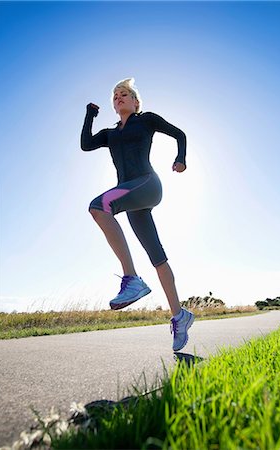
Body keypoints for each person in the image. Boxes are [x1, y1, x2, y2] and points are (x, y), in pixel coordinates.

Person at [81, 78, 194, 352]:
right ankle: (180, 315)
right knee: (157, 257)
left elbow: (180, 134)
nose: (118, 97)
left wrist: (181, 159)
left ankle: (131, 278)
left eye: (124, 94)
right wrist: (89, 115)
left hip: (147, 184)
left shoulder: (146, 120)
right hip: (130, 197)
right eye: (115, 96)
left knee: (99, 206)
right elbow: (86, 144)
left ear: (135, 101)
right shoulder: (110, 134)